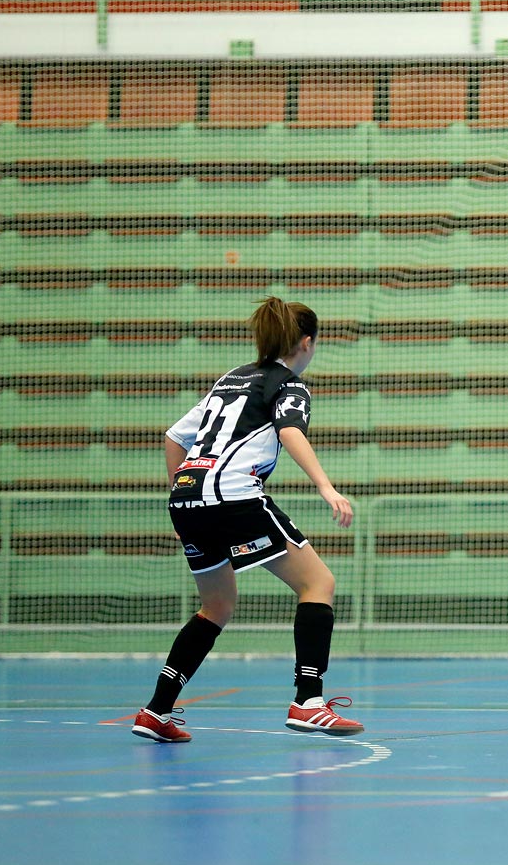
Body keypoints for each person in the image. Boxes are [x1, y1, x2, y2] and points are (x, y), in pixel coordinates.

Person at [131, 297, 364, 743]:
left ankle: (156, 710)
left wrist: (187, 492)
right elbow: (290, 430)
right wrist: (325, 486)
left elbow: (175, 437)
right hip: (234, 497)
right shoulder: (289, 384)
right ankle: (309, 701)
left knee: (216, 606)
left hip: (187, 499)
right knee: (318, 585)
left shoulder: (231, 379)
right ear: (307, 343)